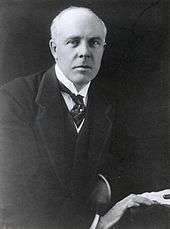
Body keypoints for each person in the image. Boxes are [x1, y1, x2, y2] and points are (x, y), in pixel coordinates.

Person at [0, 6, 169, 229]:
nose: (84, 52)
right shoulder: (14, 98)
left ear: (102, 49)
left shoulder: (112, 102)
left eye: (94, 42)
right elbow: (16, 192)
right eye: (73, 41)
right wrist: (97, 223)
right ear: (54, 48)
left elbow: (137, 164)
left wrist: (105, 185)